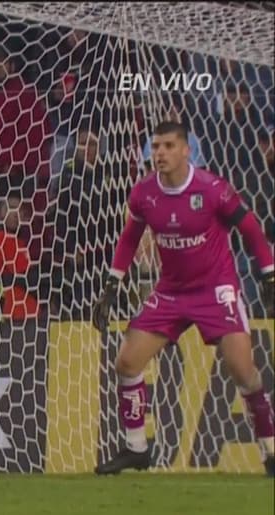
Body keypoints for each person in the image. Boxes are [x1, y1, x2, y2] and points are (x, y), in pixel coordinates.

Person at [93, 120, 275, 478]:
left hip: (215, 289)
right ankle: (136, 448)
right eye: (155, 147)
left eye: (168, 146)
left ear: (186, 150)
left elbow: (251, 228)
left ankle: (270, 448)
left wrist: (269, 274)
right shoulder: (144, 193)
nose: (159, 153)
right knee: (126, 363)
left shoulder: (212, 189)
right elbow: (130, 237)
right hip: (171, 291)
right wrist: (113, 283)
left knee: (244, 371)